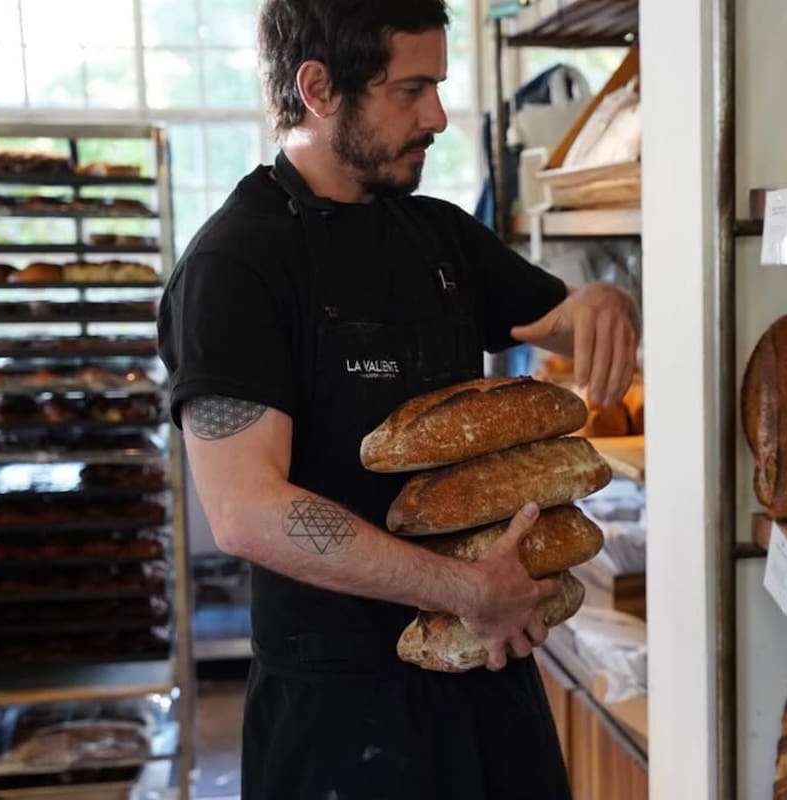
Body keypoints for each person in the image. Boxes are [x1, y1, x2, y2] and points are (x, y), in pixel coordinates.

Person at [156, 1, 640, 797]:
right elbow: (244, 510)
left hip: (490, 683)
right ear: (318, 88)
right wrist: (464, 590)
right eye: (411, 89)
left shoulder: (438, 236)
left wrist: (601, 306)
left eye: (438, 86)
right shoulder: (234, 266)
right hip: (341, 714)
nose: (439, 116)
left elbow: (556, 317)